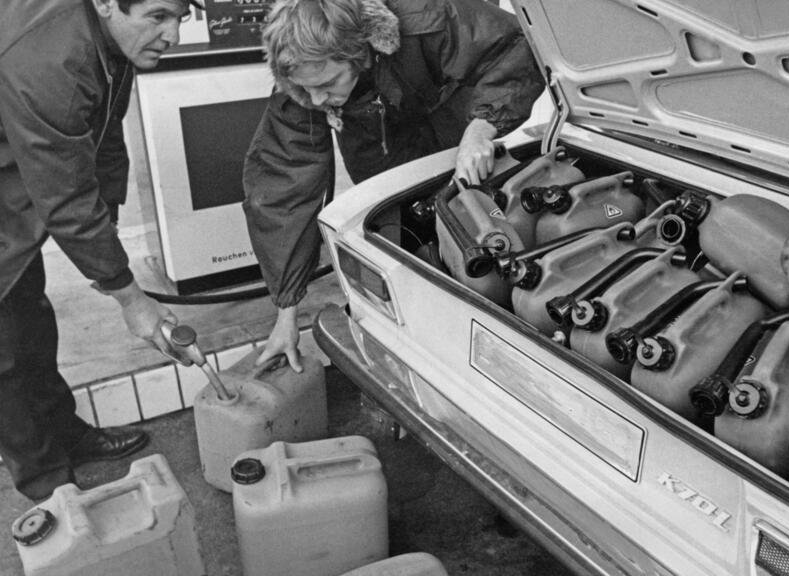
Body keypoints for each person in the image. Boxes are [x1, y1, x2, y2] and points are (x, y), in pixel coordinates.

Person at [243, 0, 545, 372]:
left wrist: (483, 126)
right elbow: (282, 192)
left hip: (457, 134)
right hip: (382, 158)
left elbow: (517, 45)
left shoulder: (425, 19)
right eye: (308, 91)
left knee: (484, 239)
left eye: (327, 85)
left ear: (360, 50)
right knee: (400, 258)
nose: (318, 101)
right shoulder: (304, 83)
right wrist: (286, 314)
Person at [0, 0, 201, 501]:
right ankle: (49, 489)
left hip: (16, 164)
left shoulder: (109, 42)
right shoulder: (54, 61)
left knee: (30, 317)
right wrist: (129, 296)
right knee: (2, 350)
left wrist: (106, 224)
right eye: (157, 16)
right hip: (16, 170)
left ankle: (66, 435)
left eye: (180, 17)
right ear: (108, 3)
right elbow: (64, 197)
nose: (172, 35)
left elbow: (105, 135)